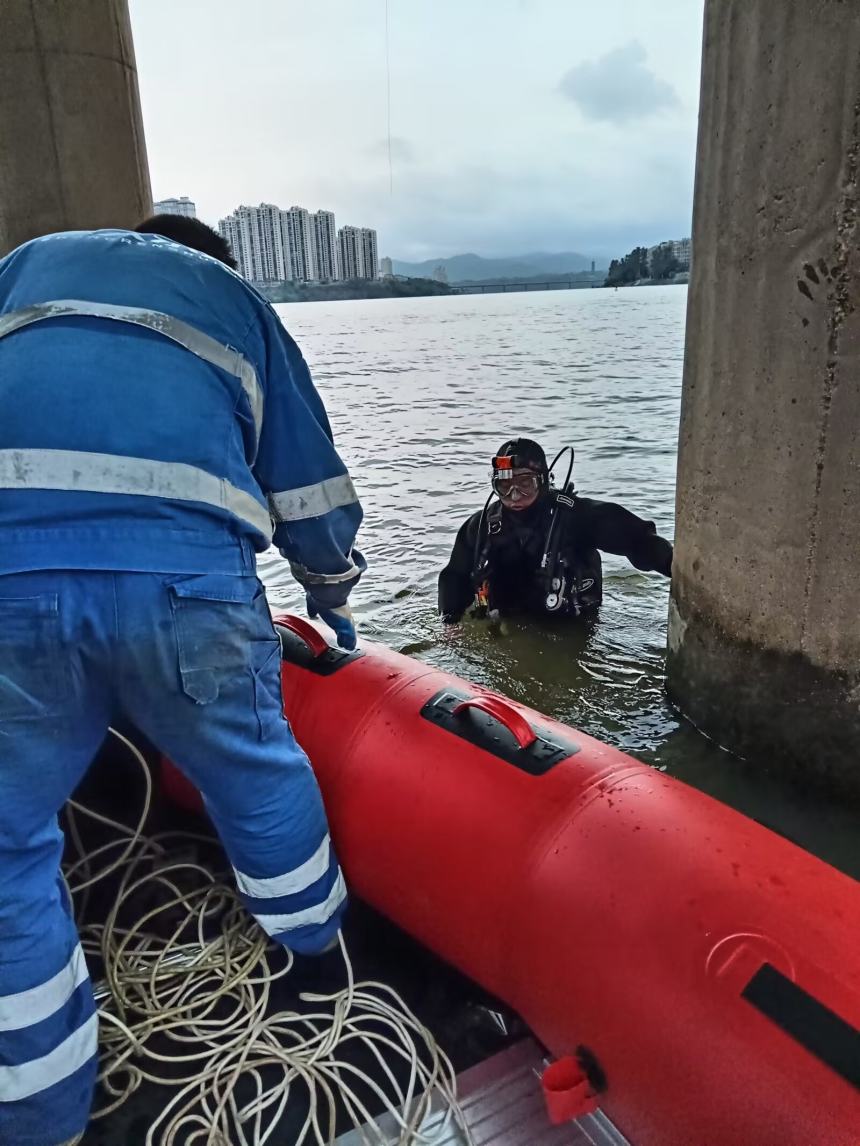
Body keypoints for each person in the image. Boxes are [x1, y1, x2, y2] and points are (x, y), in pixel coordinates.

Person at [0, 216, 364, 1146]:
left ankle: (43, 1116)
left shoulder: (25, 270)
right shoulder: (236, 303)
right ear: (219, 261)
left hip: (11, 592)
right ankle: (320, 980)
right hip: (186, 590)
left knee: (7, 850)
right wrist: (329, 595)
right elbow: (309, 486)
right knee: (257, 777)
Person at [439, 438, 672, 623]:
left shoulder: (576, 517)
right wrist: (450, 622)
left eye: (525, 484)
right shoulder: (481, 526)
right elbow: (454, 575)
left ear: (544, 482)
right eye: (505, 486)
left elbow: (637, 540)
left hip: (571, 624)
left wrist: (672, 563)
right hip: (508, 622)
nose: (515, 495)